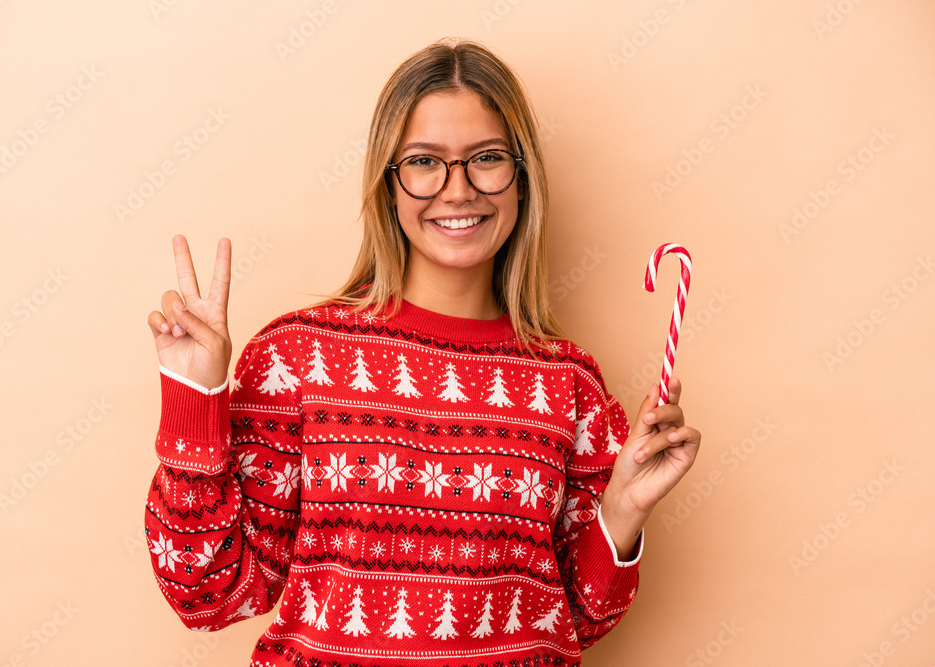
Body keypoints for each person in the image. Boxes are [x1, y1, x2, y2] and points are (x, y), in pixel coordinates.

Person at [145, 39, 701, 667]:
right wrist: (194, 403)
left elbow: (573, 617)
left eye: (486, 159)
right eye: (424, 162)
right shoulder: (297, 357)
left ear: (522, 178)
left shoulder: (568, 383)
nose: (457, 190)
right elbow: (209, 595)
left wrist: (623, 509)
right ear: (388, 183)